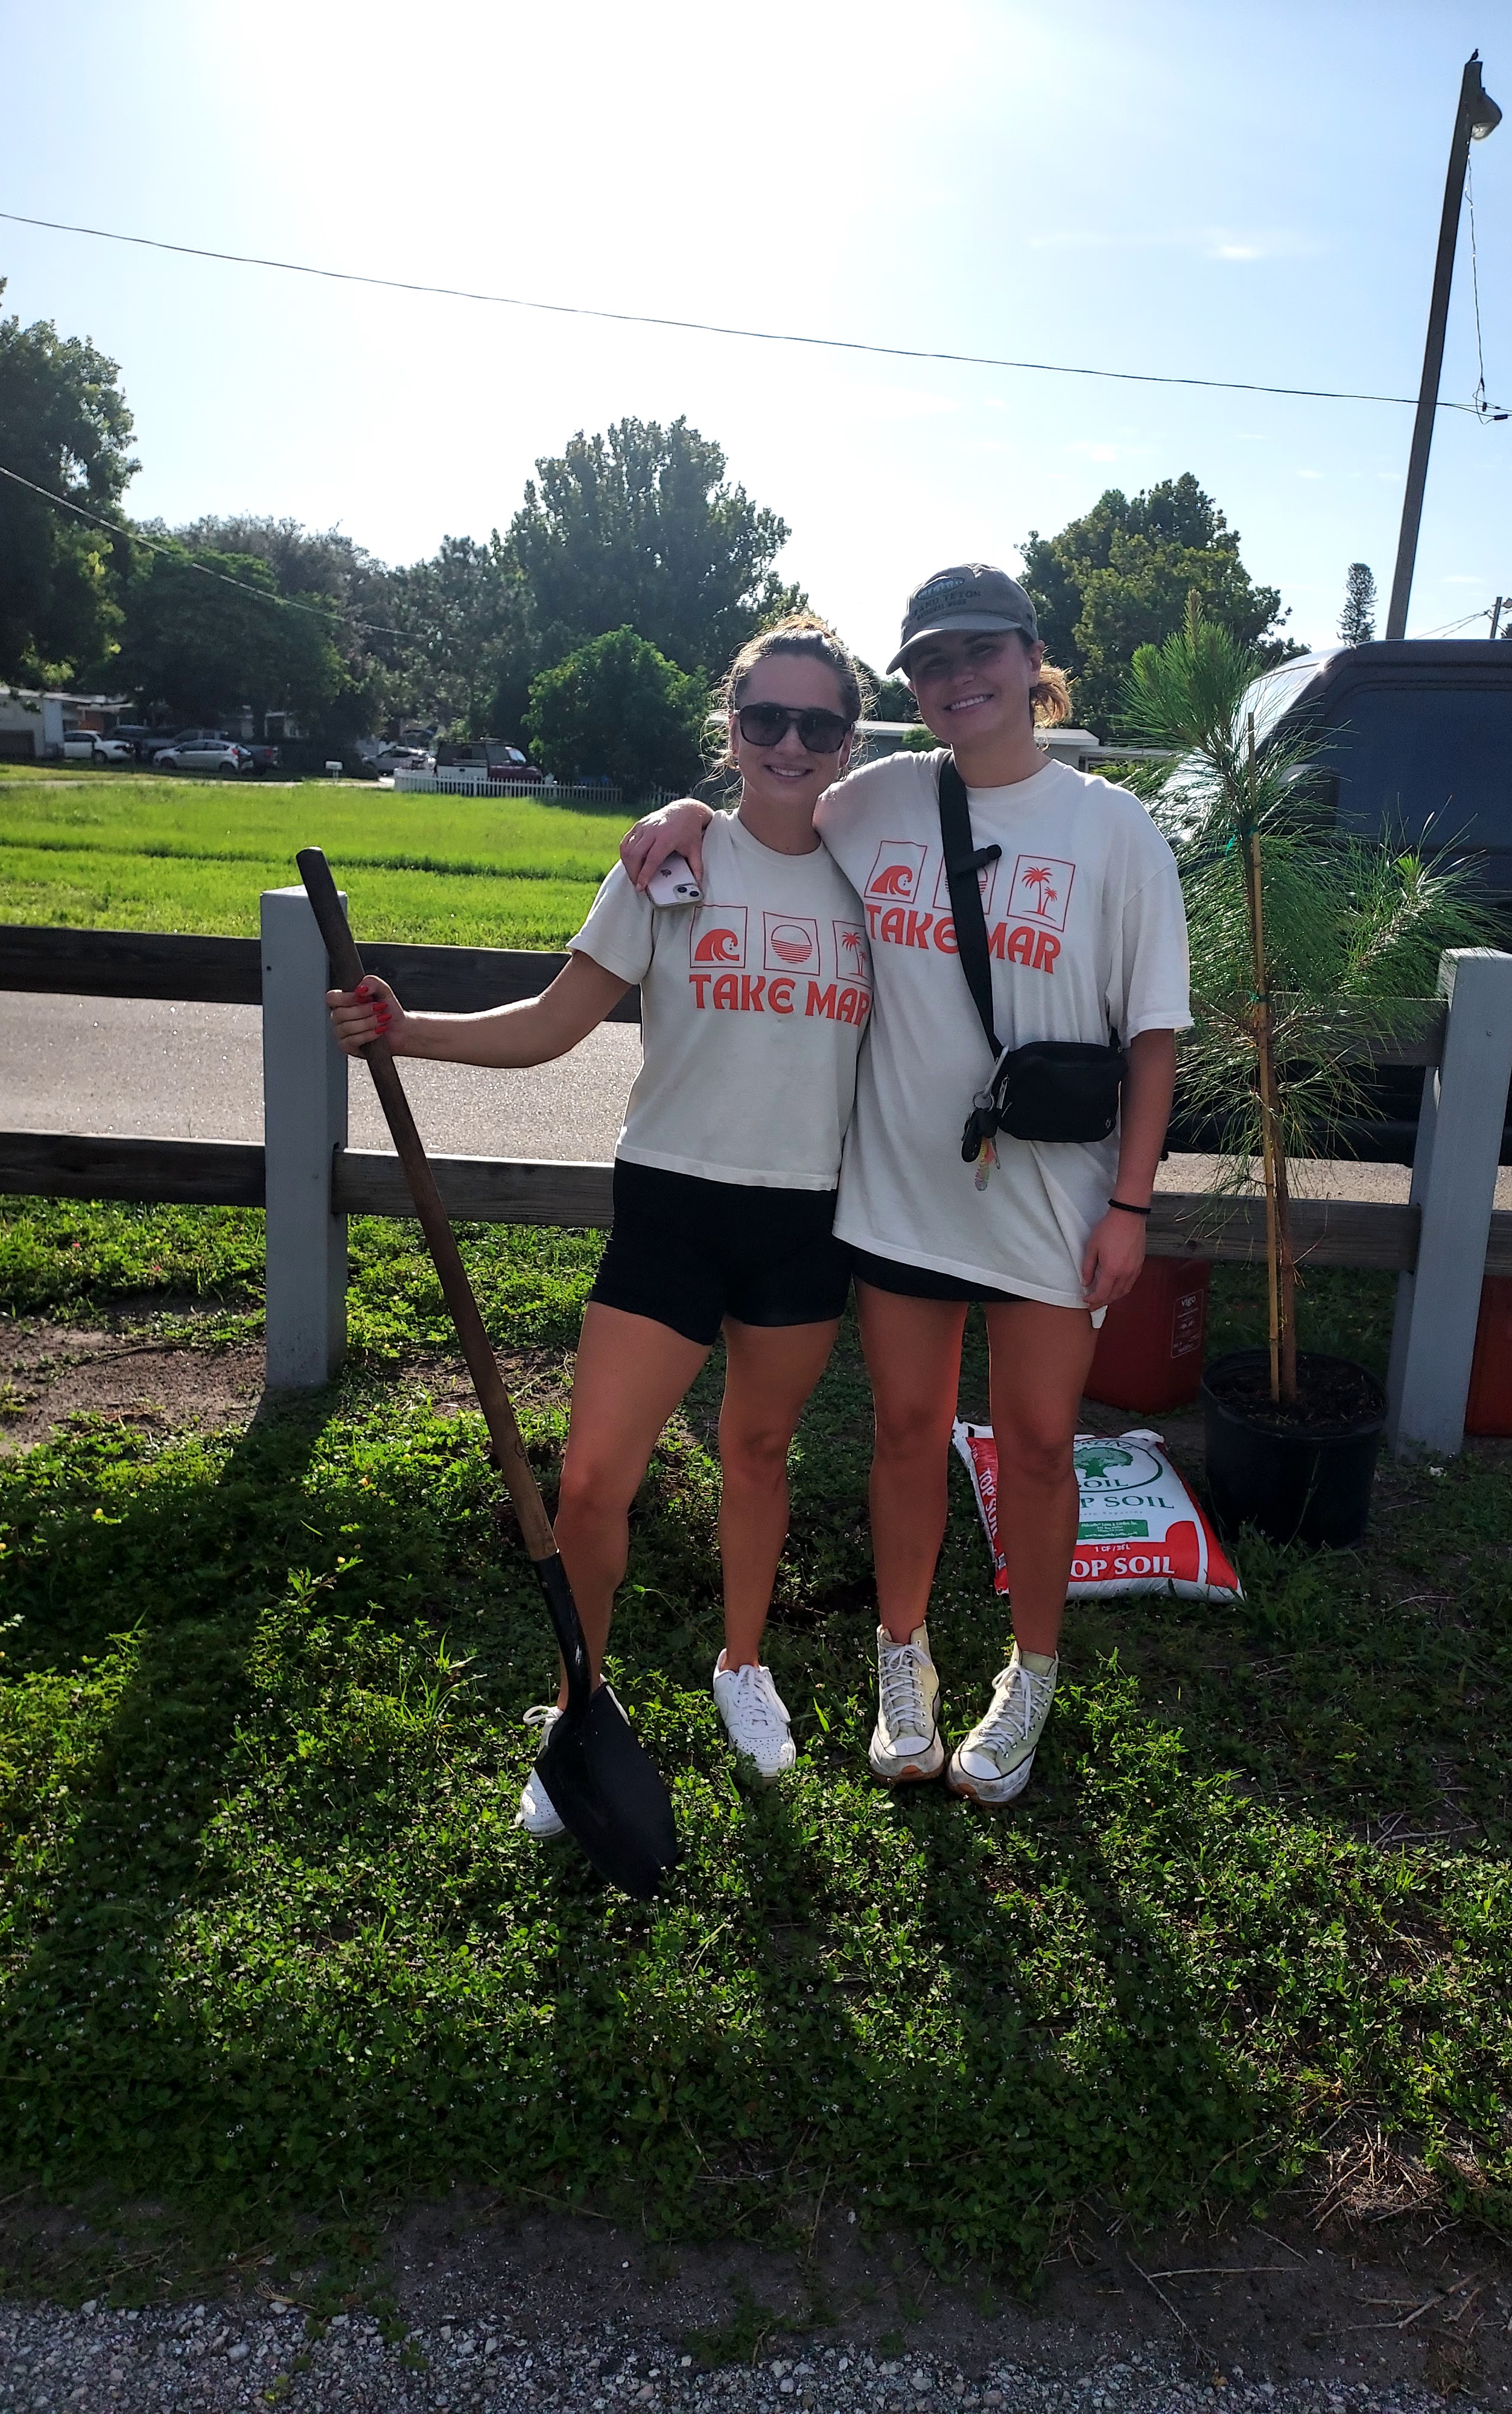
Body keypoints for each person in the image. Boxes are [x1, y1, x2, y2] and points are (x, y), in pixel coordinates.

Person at [621, 565, 1189, 1806]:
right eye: (931, 660)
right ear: (914, 684)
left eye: (981, 650)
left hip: (1056, 1200)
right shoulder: (877, 800)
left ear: (1032, 659)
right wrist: (683, 808)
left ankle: (1030, 1672)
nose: (957, 676)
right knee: (905, 1432)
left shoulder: (1114, 830)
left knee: (1039, 1445)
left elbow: (1154, 1035)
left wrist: (1132, 1204)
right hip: (901, 1192)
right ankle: (903, 1658)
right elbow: (767, 800)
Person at [325, 619, 874, 1830]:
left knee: (758, 1453)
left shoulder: (875, 873)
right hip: (672, 1203)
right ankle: (579, 1708)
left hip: (808, 1216)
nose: (789, 743)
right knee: (588, 1484)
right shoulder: (668, 864)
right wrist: (407, 1031)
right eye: (765, 718)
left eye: (817, 723)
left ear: (848, 741)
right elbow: (552, 1021)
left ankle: (744, 1665)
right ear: (730, 726)